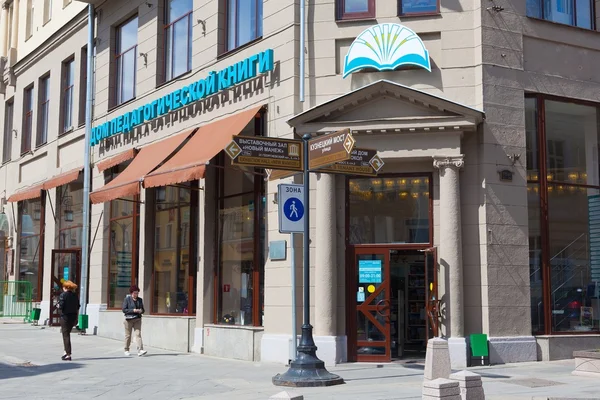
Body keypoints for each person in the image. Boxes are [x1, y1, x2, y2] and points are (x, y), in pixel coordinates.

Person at [122, 285, 147, 356]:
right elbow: (124, 310)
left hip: (137, 319)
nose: (136, 294)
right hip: (129, 320)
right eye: (135, 293)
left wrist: (140, 311)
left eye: (137, 293)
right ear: (131, 293)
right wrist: (133, 310)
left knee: (138, 334)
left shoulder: (140, 300)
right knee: (128, 335)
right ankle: (126, 349)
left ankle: (140, 350)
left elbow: (143, 310)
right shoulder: (127, 299)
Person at [58, 280, 80, 361]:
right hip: (73, 317)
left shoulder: (63, 295)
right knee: (67, 334)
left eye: (63, 287)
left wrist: (58, 306)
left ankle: (68, 354)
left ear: (66, 287)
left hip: (65, 317)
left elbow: (61, 306)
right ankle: (65, 352)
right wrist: (76, 318)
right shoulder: (75, 295)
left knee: (66, 335)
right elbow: (78, 307)